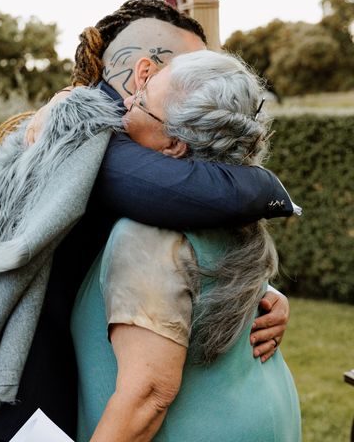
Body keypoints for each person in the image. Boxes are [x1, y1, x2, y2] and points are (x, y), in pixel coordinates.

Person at [0, 0, 297, 441]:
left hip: (40, 394)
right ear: (145, 72)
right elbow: (205, 194)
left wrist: (261, 291)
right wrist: (275, 193)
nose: (204, 82)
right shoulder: (83, 136)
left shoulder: (129, 136)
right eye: (190, 66)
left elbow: (185, 235)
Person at [71, 49, 301, 441]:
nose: (127, 100)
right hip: (264, 411)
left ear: (175, 145)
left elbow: (148, 397)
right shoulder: (226, 208)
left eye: (142, 100)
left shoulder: (150, 231)